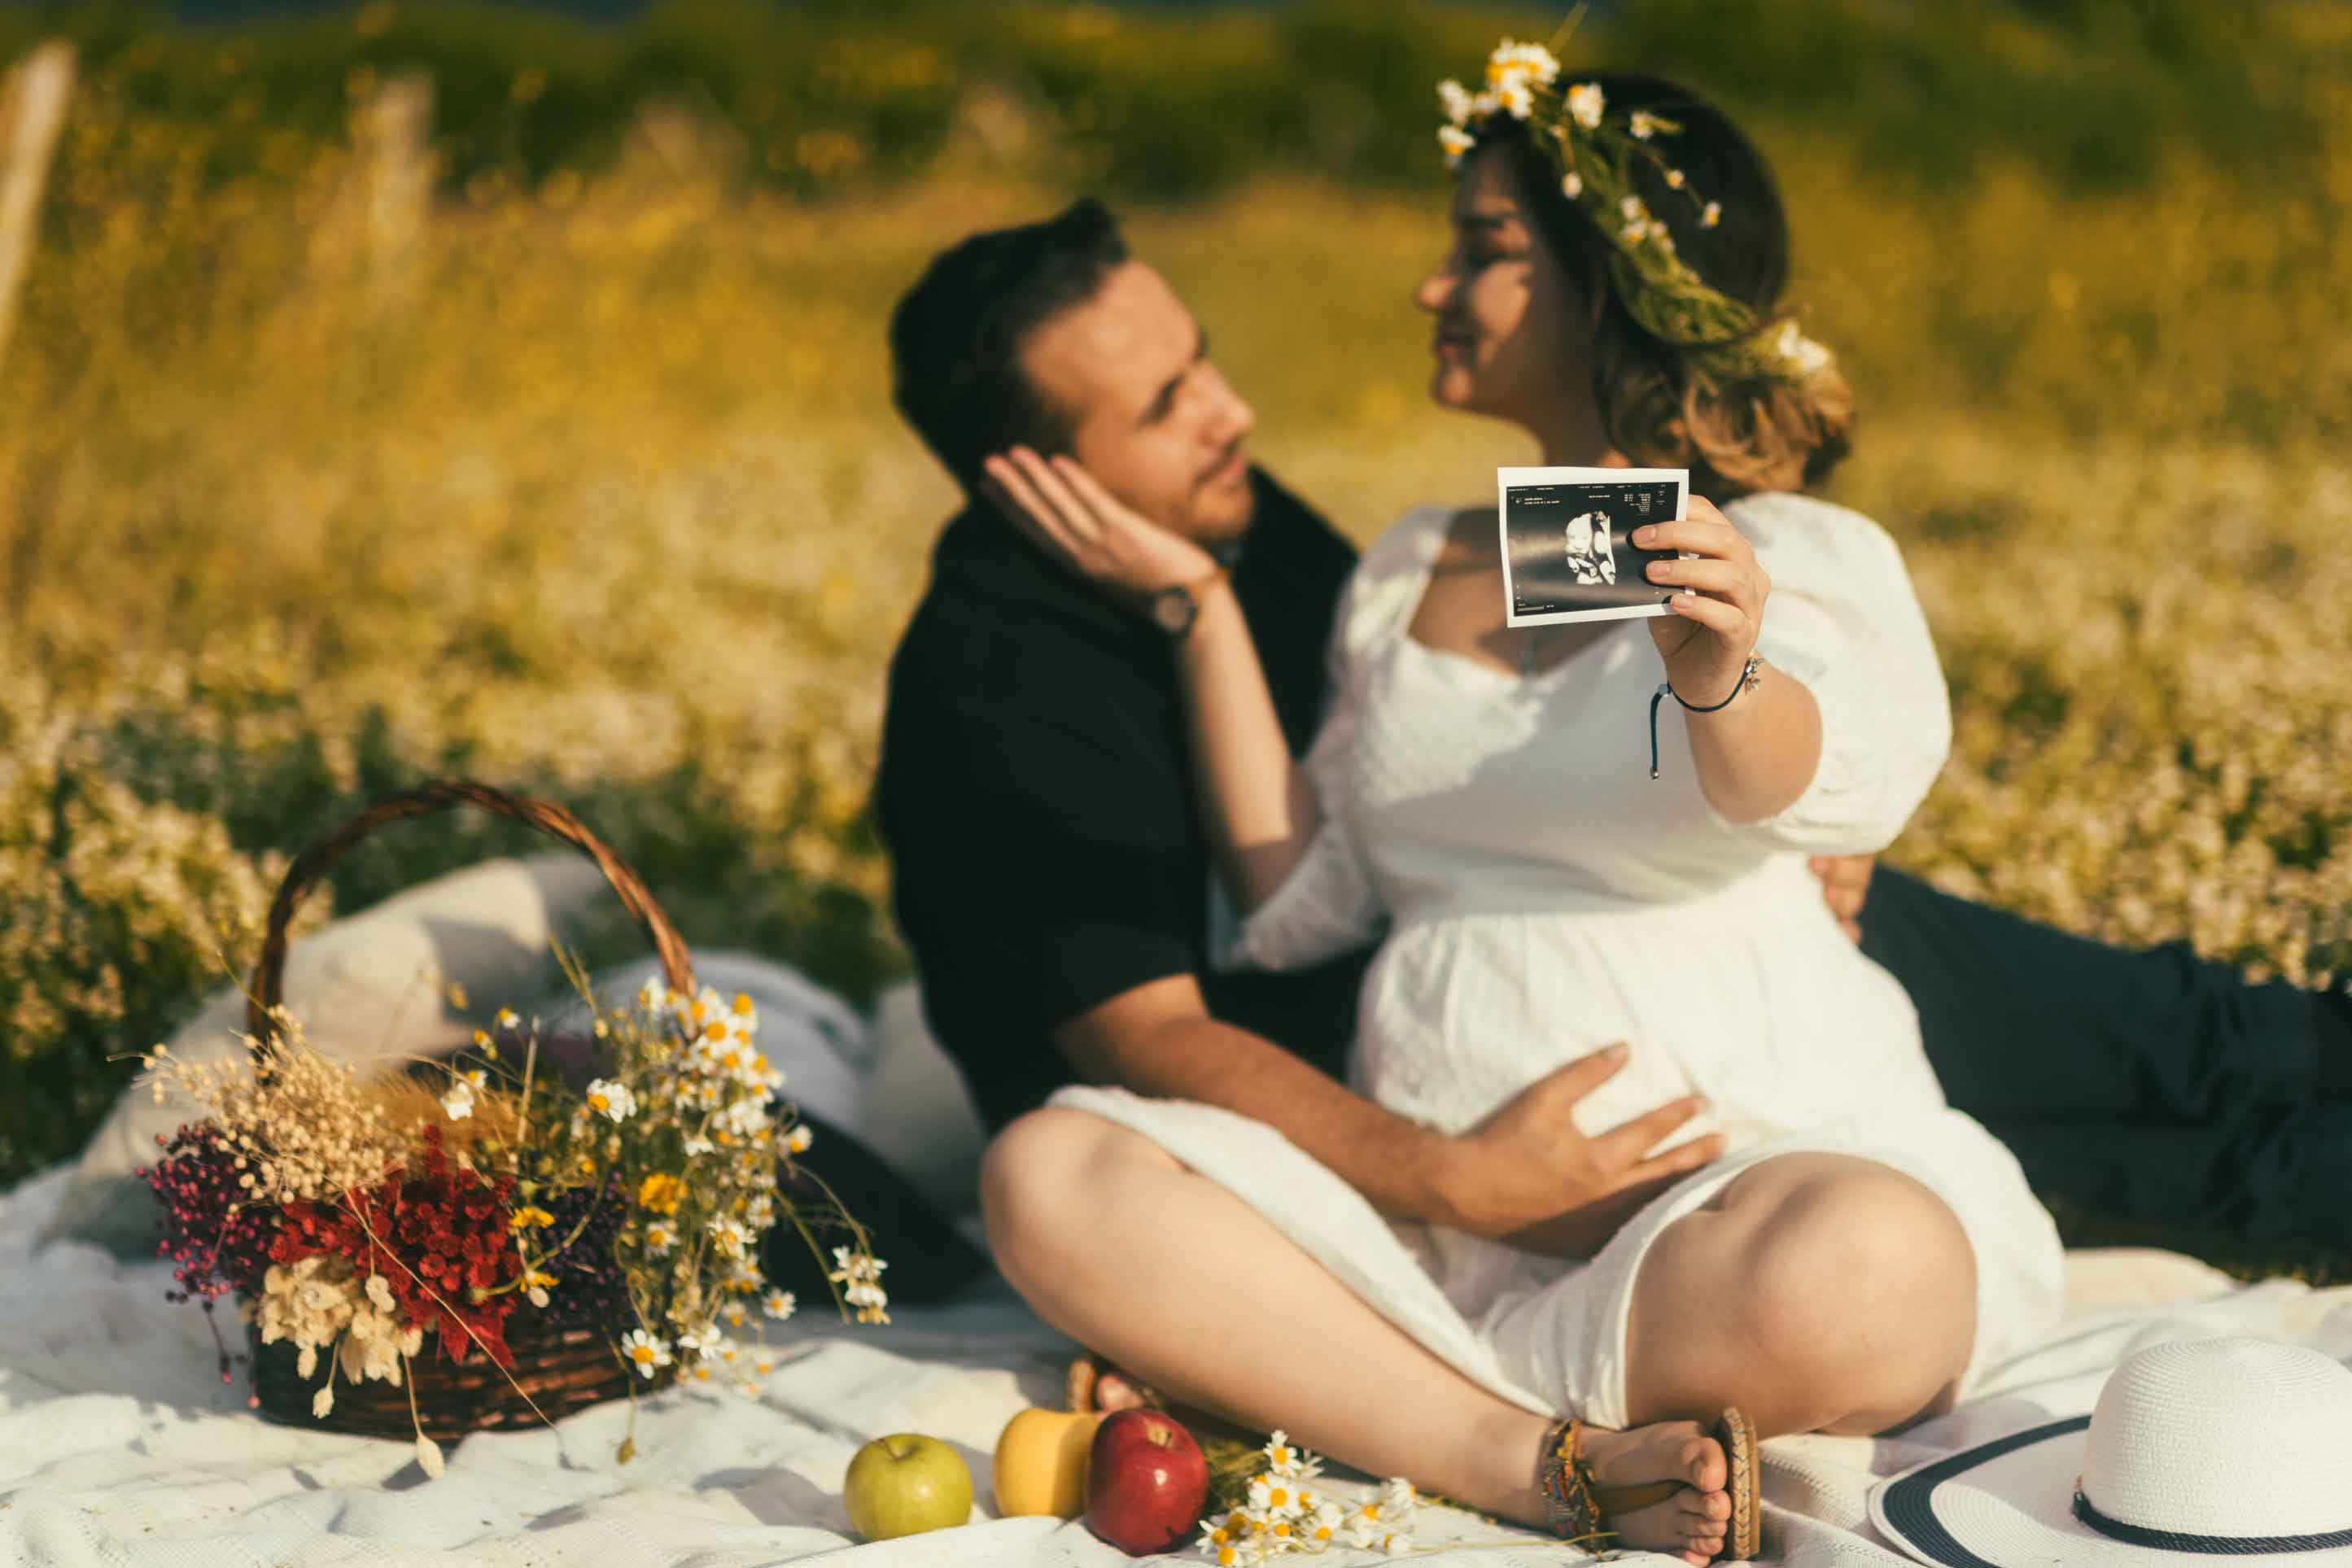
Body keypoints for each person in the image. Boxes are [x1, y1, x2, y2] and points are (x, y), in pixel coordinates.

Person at [871, 63, 2352, 1563]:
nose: (1428, 281)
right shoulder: (1390, 567)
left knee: (1874, 1263)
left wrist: (1722, 674)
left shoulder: (1791, 550)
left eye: (1485, 248)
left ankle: (1317, 1373)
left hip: (1725, 1193)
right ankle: (1503, 1445)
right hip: (1434, 1229)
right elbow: (1304, 892)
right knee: (1045, 1172)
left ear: (1605, 284)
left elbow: (1819, 772)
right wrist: (1197, 617)